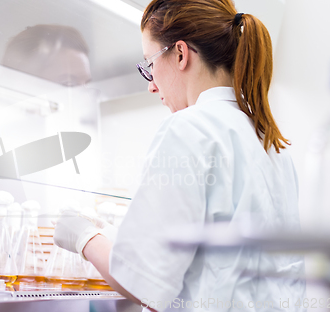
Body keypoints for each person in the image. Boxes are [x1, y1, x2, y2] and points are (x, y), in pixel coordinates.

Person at [54, 0, 306, 311]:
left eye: (149, 64)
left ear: (180, 54)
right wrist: (116, 237)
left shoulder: (189, 129)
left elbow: (144, 284)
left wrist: (84, 237)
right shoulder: (270, 143)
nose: (152, 86)